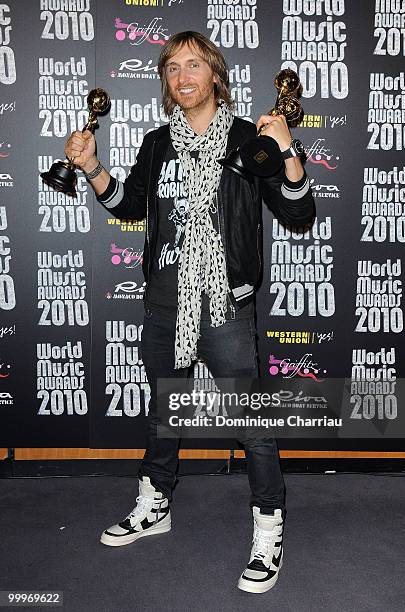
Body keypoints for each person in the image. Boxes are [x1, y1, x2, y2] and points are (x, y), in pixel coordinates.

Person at [64, 31, 315, 594]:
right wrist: (91, 167)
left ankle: (268, 526)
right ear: (166, 82)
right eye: (173, 68)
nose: (182, 76)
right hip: (164, 304)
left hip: (226, 305)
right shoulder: (157, 143)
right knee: (164, 410)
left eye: (193, 64)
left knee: (252, 426)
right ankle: (155, 505)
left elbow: (298, 211)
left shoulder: (249, 139)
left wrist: (289, 152)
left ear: (215, 75)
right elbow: (130, 204)